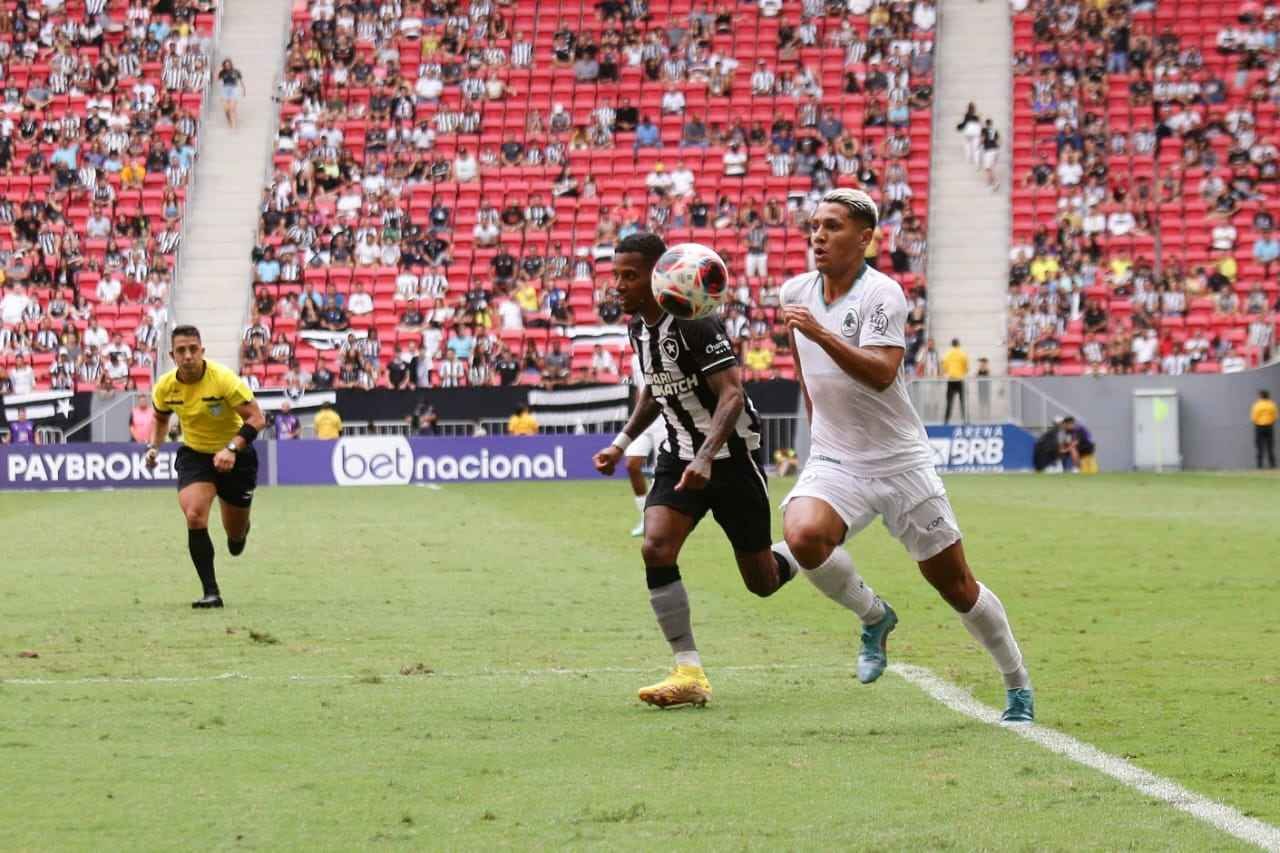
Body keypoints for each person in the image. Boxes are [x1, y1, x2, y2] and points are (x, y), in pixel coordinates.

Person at [778, 189, 1034, 723]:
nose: (818, 236)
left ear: (865, 237)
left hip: (900, 462)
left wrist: (822, 333)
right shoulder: (795, 291)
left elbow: (880, 373)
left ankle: (1017, 685)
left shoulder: (883, 294)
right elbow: (806, 374)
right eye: (814, 226)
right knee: (802, 535)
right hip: (837, 458)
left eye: (832, 227)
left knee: (955, 585)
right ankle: (874, 618)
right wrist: (817, 434)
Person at [591, 233, 797, 709]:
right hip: (680, 455)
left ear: (658, 275)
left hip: (731, 460)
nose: (618, 285)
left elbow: (732, 394)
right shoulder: (639, 330)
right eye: (615, 275)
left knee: (762, 581)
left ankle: (806, 549)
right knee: (656, 547)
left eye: (630, 275)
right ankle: (689, 671)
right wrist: (621, 444)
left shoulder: (695, 324)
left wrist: (708, 455)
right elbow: (656, 389)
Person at [145, 325, 268, 609]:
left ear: (202, 351)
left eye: (193, 349)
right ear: (172, 355)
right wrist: (153, 447)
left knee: (235, 537)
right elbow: (162, 418)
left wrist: (232, 448)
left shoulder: (223, 379)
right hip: (197, 455)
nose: (187, 356)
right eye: (181, 350)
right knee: (194, 515)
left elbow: (257, 418)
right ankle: (211, 592)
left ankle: (240, 531)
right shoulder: (165, 386)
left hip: (237, 455)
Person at [623, 356, 668, 537]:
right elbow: (639, 390)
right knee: (632, 465)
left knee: (661, 473)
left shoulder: (662, 352)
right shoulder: (635, 358)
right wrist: (636, 416)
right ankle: (644, 518)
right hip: (643, 420)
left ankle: (657, 520)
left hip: (664, 420)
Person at [942, 338, 969, 424]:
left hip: (951, 379)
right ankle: (965, 420)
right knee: (962, 402)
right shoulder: (962, 354)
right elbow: (966, 366)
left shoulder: (948, 354)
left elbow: (944, 366)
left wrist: (948, 372)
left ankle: (946, 420)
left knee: (949, 402)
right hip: (960, 379)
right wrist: (962, 372)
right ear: (958, 344)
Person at [1251, 390, 1277, 469]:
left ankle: (1260, 465)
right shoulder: (1272, 405)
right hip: (1269, 426)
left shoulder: (1257, 405)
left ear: (1261, 396)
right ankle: (1272, 465)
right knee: (1270, 446)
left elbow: (1254, 417)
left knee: (1259, 447)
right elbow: (1275, 416)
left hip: (1259, 426)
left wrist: (1258, 421)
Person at [218, 59, 246, 128]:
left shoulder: (236, 72)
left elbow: (240, 81)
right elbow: (219, 81)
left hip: (234, 88)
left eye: (228, 64)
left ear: (231, 64)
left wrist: (243, 89)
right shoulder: (222, 72)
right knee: (226, 109)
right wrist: (221, 95)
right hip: (225, 89)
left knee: (232, 108)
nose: (227, 66)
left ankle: (233, 125)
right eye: (226, 65)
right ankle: (229, 120)